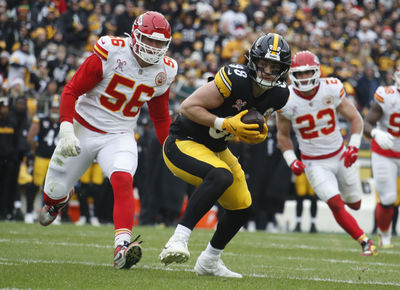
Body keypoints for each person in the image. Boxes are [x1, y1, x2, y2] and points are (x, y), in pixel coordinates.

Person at [38, 11, 177, 270]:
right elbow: (71, 90)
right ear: (135, 35)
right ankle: (57, 201)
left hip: (119, 133)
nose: (155, 47)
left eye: (160, 43)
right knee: (51, 200)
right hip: (82, 127)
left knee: (123, 179)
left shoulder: (165, 70)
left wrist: (172, 150)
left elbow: (160, 118)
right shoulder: (112, 51)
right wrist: (67, 129)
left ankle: (122, 246)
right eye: (150, 40)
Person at [159, 33, 291, 278]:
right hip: (183, 141)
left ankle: (209, 261)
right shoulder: (234, 78)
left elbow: (256, 123)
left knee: (242, 206)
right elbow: (187, 107)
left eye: (275, 67)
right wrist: (225, 123)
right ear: (253, 61)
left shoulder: (280, 94)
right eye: (264, 64)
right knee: (221, 176)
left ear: (284, 70)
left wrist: (258, 132)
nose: (268, 71)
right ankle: (178, 240)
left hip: (217, 148)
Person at [276, 50, 377, 256]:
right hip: (315, 162)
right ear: (292, 75)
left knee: (355, 204)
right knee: (334, 202)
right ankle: (366, 242)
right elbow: (283, 136)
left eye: (308, 73)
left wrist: (353, 147)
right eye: (300, 74)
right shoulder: (286, 99)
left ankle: (359, 226)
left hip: (341, 155)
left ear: (317, 71)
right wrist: (291, 160)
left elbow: (356, 119)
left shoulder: (331, 88)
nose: (304, 78)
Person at [363, 65, 400, 248]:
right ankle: (385, 236)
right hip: (385, 151)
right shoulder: (386, 95)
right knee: (388, 198)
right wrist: (377, 133)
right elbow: (367, 123)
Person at [25, 94, 60, 224]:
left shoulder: (65, 122)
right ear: (49, 108)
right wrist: (34, 150)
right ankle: (29, 211)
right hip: (41, 158)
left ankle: (52, 214)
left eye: (57, 108)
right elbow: (30, 137)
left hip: (56, 160)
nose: (55, 110)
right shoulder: (41, 120)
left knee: (53, 189)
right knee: (35, 186)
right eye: (53, 108)